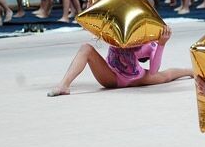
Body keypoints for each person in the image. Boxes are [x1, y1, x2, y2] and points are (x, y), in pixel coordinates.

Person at [47, 26, 194, 97]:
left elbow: (154, 70)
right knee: (86, 48)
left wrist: (162, 44)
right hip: (112, 75)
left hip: (136, 76)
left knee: (164, 76)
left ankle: (189, 71)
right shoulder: (119, 28)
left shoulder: (151, 42)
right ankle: (63, 85)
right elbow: (94, 23)